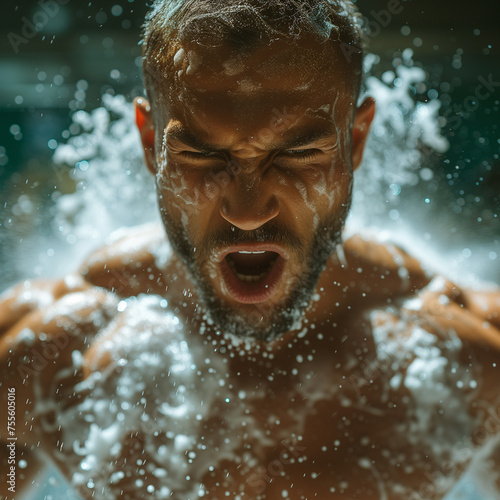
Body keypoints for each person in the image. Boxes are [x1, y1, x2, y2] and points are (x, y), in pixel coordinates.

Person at [1, 1, 500, 499]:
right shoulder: (40, 355)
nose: (246, 210)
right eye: (201, 154)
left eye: (298, 153)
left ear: (357, 138)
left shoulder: (474, 358)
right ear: (151, 143)